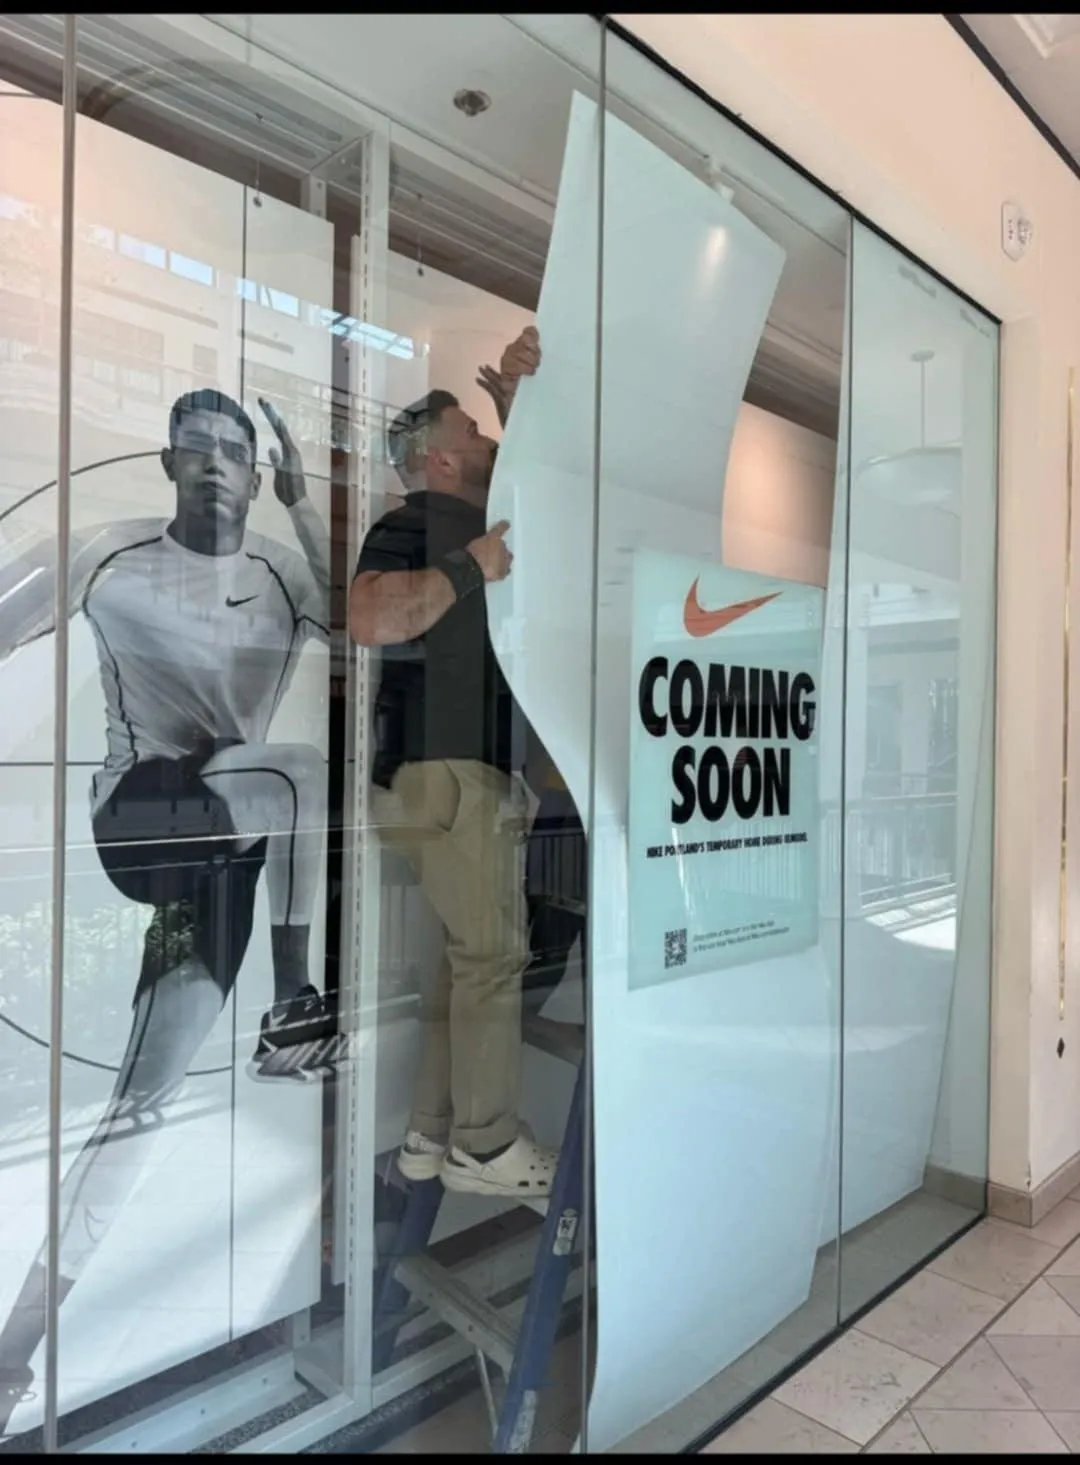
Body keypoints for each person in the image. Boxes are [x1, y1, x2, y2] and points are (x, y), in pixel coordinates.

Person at [0, 389, 335, 1434]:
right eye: (197, 449)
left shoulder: (282, 571)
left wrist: (307, 501)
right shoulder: (109, 553)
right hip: (142, 816)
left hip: (225, 853)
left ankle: (11, 1353)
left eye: (235, 452)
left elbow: (359, 619)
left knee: (139, 1110)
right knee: (296, 770)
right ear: (168, 462)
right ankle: (295, 1003)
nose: (216, 465)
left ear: (255, 474)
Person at [351, 326, 558, 1200]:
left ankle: (429, 1135)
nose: (482, 436)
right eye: (469, 429)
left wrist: (518, 401)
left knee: (461, 963)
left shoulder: (477, 515)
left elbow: (547, 476)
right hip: (446, 774)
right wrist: (470, 568)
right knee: (494, 957)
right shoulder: (413, 523)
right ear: (436, 459)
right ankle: (485, 1142)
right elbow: (370, 618)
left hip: (452, 775)